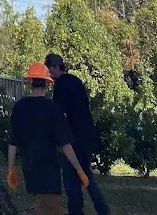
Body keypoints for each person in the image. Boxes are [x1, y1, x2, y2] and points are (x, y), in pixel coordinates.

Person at [7, 62, 90, 215]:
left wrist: (11, 169)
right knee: (48, 208)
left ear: (30, 82)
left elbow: (13, 142)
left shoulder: (19, 107)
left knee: (43, 205)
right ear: (47, 83)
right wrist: (79, 170)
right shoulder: (53, 108)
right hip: (48, 168)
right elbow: (65, 143)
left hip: (29, 166)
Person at [45, 54, 111, 215]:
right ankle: (102, 209)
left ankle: (76, 211)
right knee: (86, 174)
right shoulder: (76, 81)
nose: (49, 73)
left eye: (49, 69)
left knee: (71, 180)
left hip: (72, 139)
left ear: (56, 67)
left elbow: (59, 114)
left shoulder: (60, 85)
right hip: (85, 136)